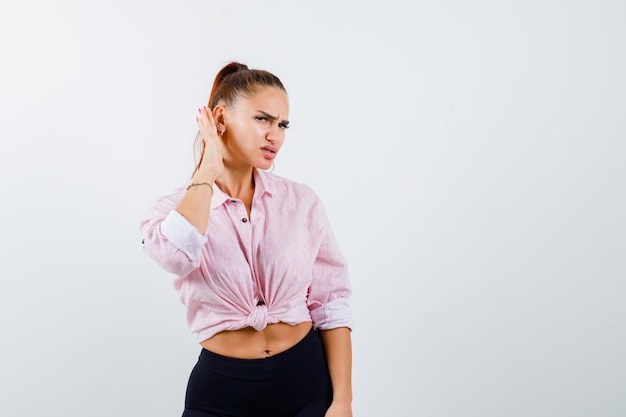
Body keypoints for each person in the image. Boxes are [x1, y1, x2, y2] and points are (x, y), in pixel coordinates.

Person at [140, 62, 353, 417]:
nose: (276, 135)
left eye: (282, 124)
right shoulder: (169, 211)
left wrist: (342, 401)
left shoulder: (301, 202)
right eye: (263, 120)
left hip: (306, 382)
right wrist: (208, 169)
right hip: (222, 392)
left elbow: (331, 304)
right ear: (219, 118)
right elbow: (176, 256)